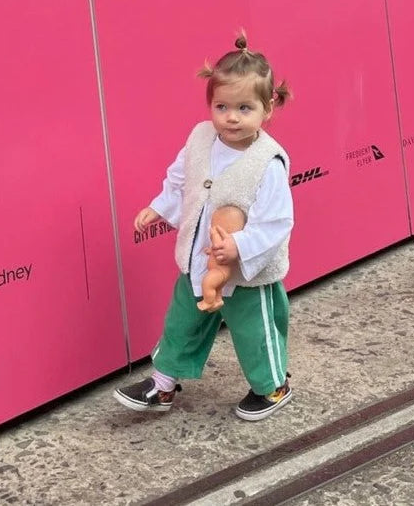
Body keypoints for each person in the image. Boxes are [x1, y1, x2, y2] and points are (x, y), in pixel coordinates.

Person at [113, 34, 294, 421]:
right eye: (222, 106)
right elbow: (181, 180)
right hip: (199, 259)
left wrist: (241, 247)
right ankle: (162, 384)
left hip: (248, 273)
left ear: (268, 108)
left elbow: (277, 221)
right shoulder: (200, 138)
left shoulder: (268, 162)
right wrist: (159, 207)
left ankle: (273, 384)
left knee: (256, 333)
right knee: (182, 321)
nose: (231, 117)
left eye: (245, 108)